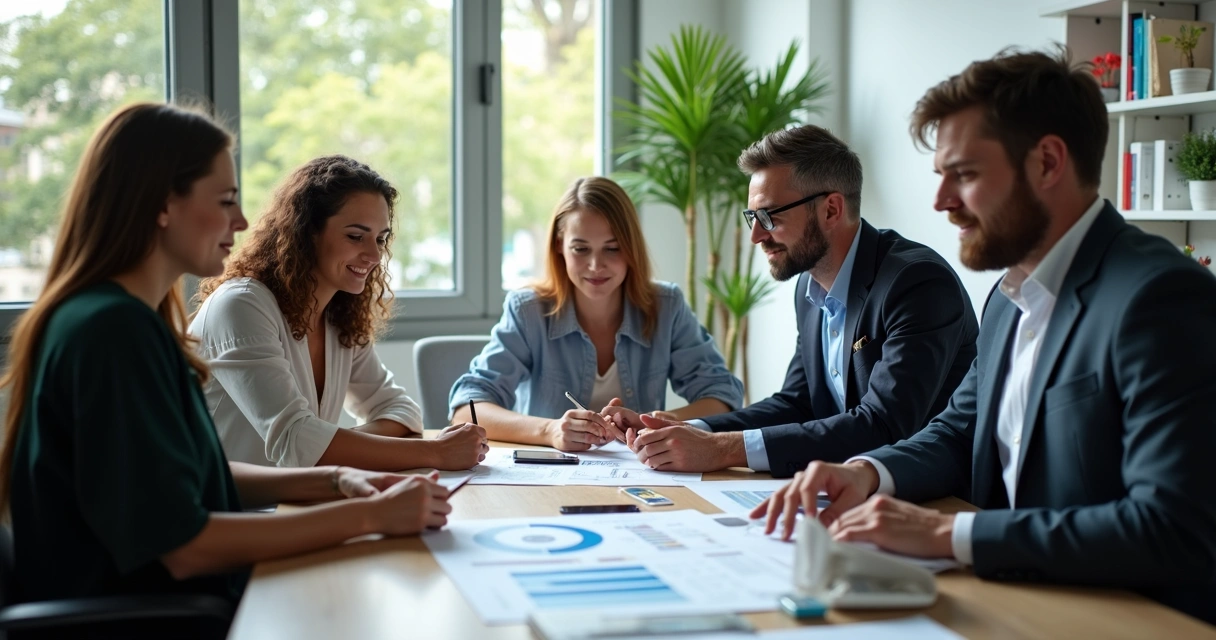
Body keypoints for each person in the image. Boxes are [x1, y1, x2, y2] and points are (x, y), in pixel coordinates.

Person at [754, 48, 1216, 624]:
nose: (941, 201)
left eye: (965, 174)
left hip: (1123, 618)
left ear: (1048, 162)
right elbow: (957, 432)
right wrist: (867, 472)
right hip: (1009, 597)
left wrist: (952, 533)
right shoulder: (1007, 296)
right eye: (941, 175)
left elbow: (1170, 527)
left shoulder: (1159, 298)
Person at [0, 103, 452, 639]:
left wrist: (336, 480)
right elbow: (184, 547)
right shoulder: (113, 333)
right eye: (225, 201)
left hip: (181, 596)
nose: (241, 221)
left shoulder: (124, 320)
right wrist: (372, 517)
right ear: (164, 204)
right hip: (157, 615)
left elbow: (198, 474)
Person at [625, 125, 978, 476]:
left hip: (930, 498)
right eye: (752, 217)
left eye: (769, 216)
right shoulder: (809, 288)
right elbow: (797, 402)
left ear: (831, 210)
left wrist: (721, 449)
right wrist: (691, 429)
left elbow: (883, 426)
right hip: (846, 491)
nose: (756, 236)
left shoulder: (916, 283)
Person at [191, 155, 486, 471]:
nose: (374, 255)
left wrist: (326, 445)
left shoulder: (336, 315)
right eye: (356, 236)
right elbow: (295, 441)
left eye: (381, 239)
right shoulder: (241, 306)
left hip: (299, 500)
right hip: (232, 512)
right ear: (306, 232)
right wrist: (436, 453)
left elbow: (402, 411)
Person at [449, 176, 743, 451]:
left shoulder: (666, 306)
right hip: (549, 481)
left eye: (612, 249)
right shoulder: (528, 311)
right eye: (580, 249)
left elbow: (723, 397)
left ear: (631, 249)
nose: (595, 265)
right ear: (559, 248)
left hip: (644, 478)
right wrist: (550, 431)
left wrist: (649, 422)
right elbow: (468, 409)